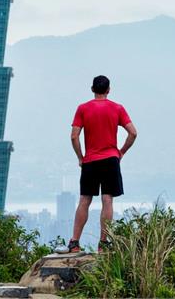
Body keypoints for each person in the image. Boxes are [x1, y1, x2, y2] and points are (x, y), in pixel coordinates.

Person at [66, 75, 138, 253]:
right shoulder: (117, 108)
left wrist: (80, 157)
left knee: (85, 200)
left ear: (92, 89)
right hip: (110, 160)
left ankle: (74, 242)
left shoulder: (83, 108)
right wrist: (121, 152)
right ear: (108, 90)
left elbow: (74, 135)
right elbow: (133, 133)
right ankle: (103, 244)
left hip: (90, 160)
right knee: (107, 200)